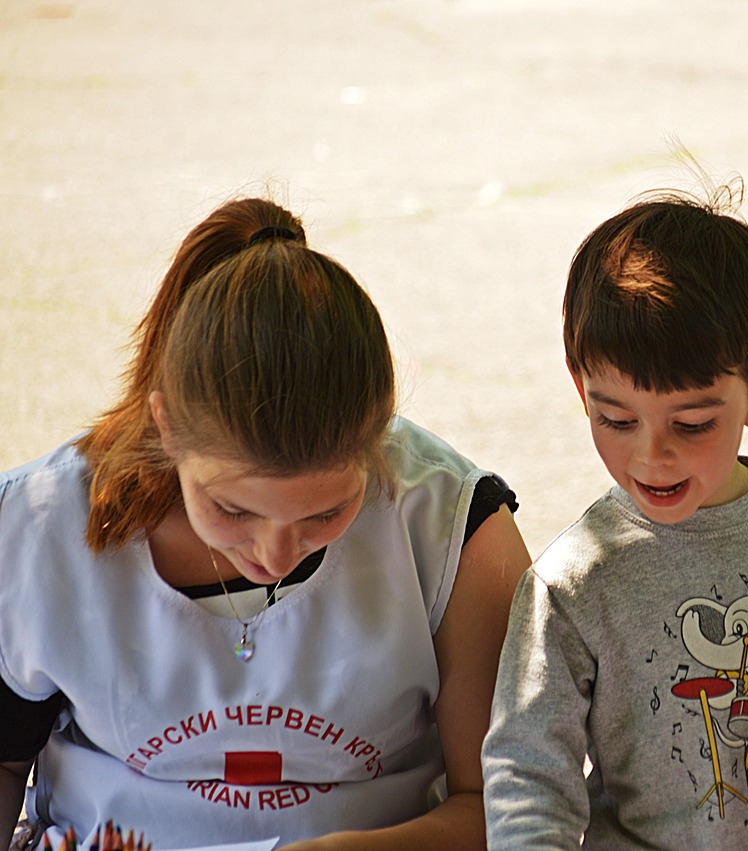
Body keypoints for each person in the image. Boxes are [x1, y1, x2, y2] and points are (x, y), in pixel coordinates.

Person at [0, 198, 532, 850]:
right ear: (166, 425)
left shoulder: (455, 529)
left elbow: (512, 806)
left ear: (379, 441)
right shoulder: (38, 527)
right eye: (232, 510)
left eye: (325, 514)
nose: (276, 552)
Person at [481, 190, 748, 849]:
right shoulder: (573, 582)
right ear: (582, 390)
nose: (651, 453)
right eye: (615, 419)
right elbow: (528, 777)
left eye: (691, 423)